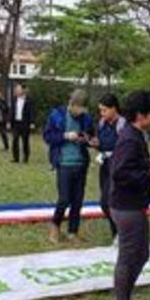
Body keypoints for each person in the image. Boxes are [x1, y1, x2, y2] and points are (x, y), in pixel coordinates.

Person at [110, 90, 150, 300]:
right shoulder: (130, 138)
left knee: (141, 254)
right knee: (130, 255)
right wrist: (147, 176)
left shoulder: (134, 134)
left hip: (133, 205)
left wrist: (148, 173)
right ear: (141, 115)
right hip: (126, 207)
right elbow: (119, 173)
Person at [44, 89, 94, 240]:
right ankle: (55, 225)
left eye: (83, 109)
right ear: (71, 104)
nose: (80, 112)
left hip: (81, 163)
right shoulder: (57, 115)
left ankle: (73, 231)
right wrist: (65, 136)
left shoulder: (86, 118)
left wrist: (85, 139)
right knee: (64, 199)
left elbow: (91, 136)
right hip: (64, 163)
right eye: (78, 108)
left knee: (78, 200)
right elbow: (48, 136)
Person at [95, 93, 125, 239]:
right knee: (104, 203)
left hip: (117, 166)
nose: (102, 113)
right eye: (100, 110)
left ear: (114, 108)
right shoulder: (102, 123)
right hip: (104, 165)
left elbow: (125, 146)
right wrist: (96, 144)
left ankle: (120, 233)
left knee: (110, 202)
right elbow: (101, 142)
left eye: (105, 110)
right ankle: (117, 232)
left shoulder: (122, 124)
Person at [10, 82, 34, 164]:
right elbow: (12, 111)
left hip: (25, 123)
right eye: (16, 89)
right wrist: (9, 121)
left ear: (22, 90)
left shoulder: (28, 100)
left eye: (18, 89)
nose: (16, 91)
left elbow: (31, 111)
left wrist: (32, 122)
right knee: (15, 140)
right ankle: (16, 158)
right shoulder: (14, 99)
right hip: (16, 123)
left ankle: (26, 158)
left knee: (25, 141)